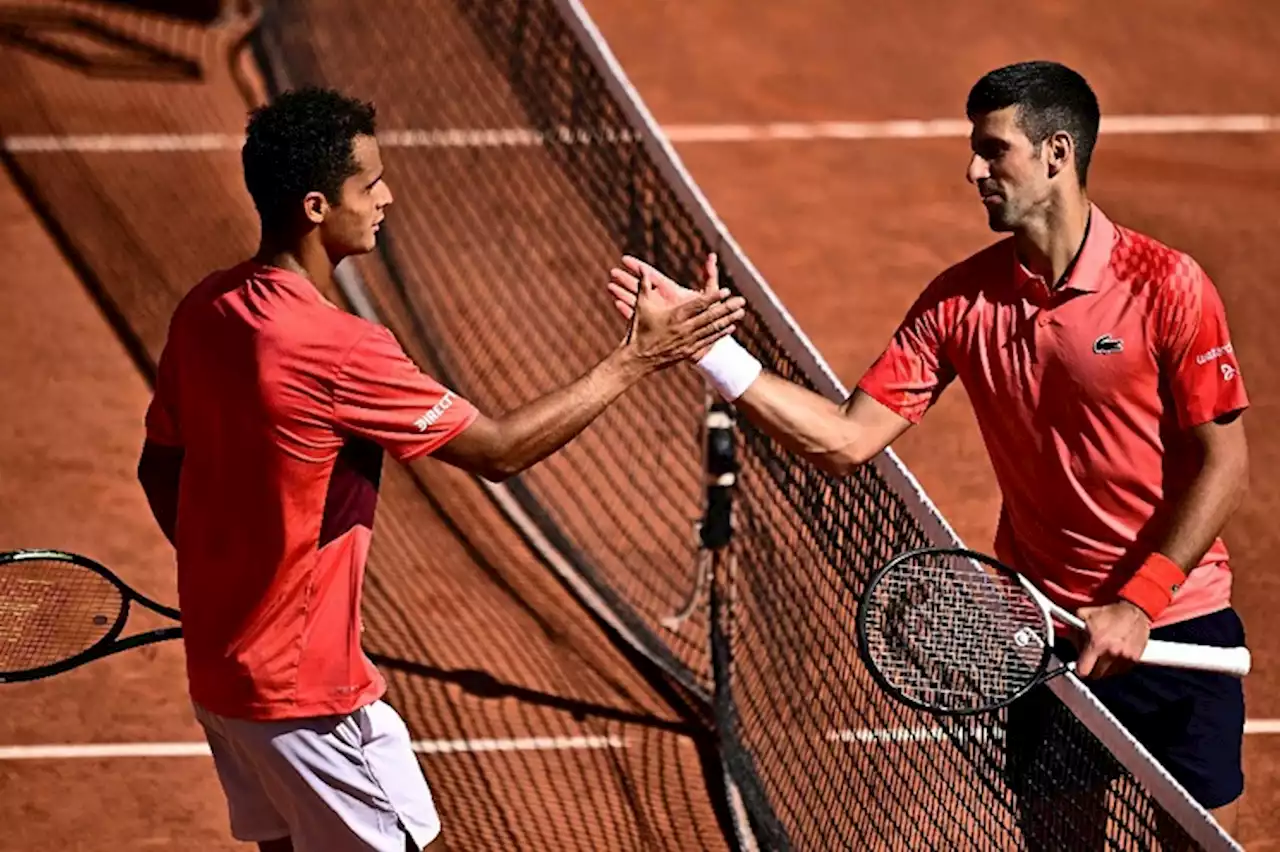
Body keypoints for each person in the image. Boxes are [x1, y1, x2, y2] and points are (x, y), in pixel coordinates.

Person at [606, 60, 1249, 842]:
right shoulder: (958, 301)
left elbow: (1225, 465)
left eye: (993, 150)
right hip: (1042, 629)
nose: (973, 169)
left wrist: (1139, 601)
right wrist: (712, 354)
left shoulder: (1167, 286)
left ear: (1056, 153)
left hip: (1176, 623)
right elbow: (845, 441)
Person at [136, 86, 745, 852]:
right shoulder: (341, 349)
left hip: (234, 681)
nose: (387, 198)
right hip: (302, 695)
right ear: (319, 206)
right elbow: (497, 451)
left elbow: (160, 468)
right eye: (371, 185)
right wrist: (636, 359)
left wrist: (234, 588)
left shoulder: (207, 309)